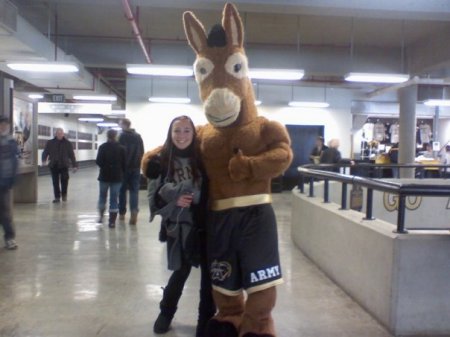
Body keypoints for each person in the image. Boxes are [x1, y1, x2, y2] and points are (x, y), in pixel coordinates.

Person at [141, 116, 215, 336]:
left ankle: (206, 321)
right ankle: (166, 312)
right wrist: (173, 200)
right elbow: (154, 201)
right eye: (177, 131)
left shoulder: (203, 160)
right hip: (178, 228)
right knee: (180, 272)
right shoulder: (159, 161)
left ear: (193, 134)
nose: (181, 135)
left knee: (208, 277)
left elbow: (212, 191)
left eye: (186, 131)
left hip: (205, 226)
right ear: (170, 133)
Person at [96, 129, 126, 228]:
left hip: (104, 176)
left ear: (107, 136)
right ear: (116, 136)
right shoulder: (122, 148)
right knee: (114, 199)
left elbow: (98, 161)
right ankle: (112, 222)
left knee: (102, 197)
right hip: (117, 177)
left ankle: (100, 217)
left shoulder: (102, 147)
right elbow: (125, 164)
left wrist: (105, 167)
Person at [118, 118, 144, 225]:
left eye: (120, 124)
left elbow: (119, 153)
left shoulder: (121, 136)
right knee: (134, 191)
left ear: (124, 125)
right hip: (136, 167)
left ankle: (122, 213)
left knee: (122, 191)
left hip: (123, 168)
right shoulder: (138, 137)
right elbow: (142, 151)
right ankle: (134, 212)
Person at [42, 127, 78, 203]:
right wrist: (43, 160)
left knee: (64, 180)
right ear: (56, 134)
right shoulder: (50, 142)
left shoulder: (67, 143)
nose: (59, 135)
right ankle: (57, 197)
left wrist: (74, 165)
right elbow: (45, 152)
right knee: (55, 182)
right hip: (54, 165)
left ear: (63, 134)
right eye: (58, 134)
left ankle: (64, 195)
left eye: (61, 134)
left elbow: (72, 155)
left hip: (64, 165)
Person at [0, 116, 18, 250]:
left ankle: (9, 238)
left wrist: (13, 178)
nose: (3, 127)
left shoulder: (11, 141)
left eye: (5, 125)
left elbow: (15, 160)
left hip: (5, 182)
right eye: (1, 125)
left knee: (5, 212)